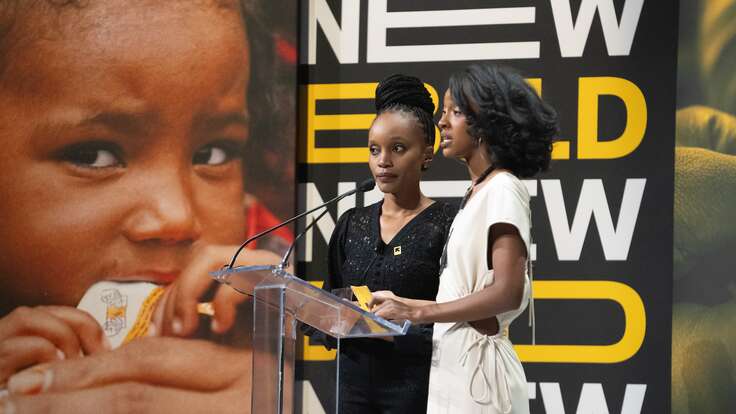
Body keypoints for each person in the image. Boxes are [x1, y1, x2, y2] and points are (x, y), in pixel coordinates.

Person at [0, 0, 290, 411]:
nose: (176, 217)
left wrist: (297, 379)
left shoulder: (273, 298)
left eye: (213, 153)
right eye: (93, 155)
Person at [371, 64, 558, 413]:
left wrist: (420, 310)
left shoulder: (503, 188)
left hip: (481, 380)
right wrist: (405, 304)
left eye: (454, 112)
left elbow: (508, 291)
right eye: (444, 112)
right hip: (456, 369)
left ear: (486, 122)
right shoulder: (477, 191)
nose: (442, 122)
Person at [308, 74, 456, 413]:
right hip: (352, 390)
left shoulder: (447, 224)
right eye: (374, 150)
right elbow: (330, 298)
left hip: (418, 389)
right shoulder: (352, 223)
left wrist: (396, 330)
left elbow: (458, 317)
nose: (382, 161)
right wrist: (330, 315)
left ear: (427, 155)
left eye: (398, 148)